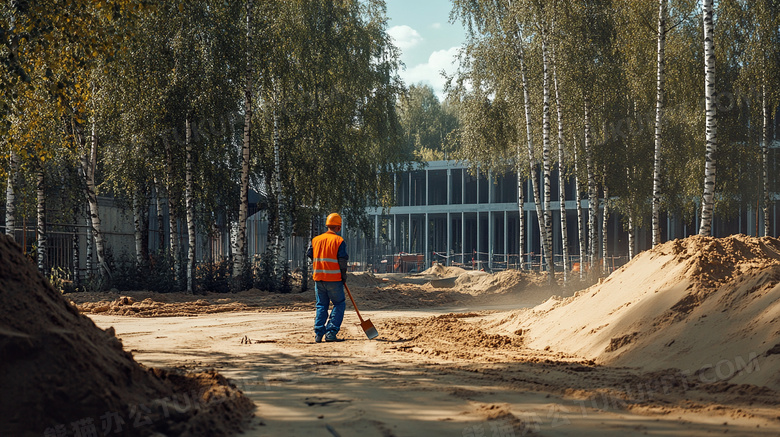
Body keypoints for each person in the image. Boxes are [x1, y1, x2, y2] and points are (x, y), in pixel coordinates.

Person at [306, 213, 348, 343]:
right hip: (334, 279)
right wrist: (343, 275)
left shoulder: (315, 240)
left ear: (327, 225)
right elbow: (342, 260)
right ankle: (331, 332)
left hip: (319, 278)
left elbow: (309, 254)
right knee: (339, 304)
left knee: (321, 305)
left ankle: (318, 333)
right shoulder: (339, 241)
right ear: (339, 227)